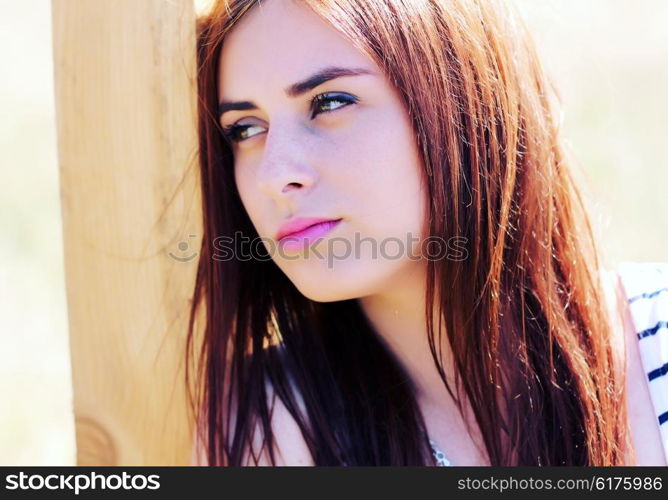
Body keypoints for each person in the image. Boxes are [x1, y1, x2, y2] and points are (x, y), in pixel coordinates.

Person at [187, 0, 668, 466]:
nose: (274, 174)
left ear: (467, 99)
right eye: (245, 129)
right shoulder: (259, 428)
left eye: (330, 101)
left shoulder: (655, 343)